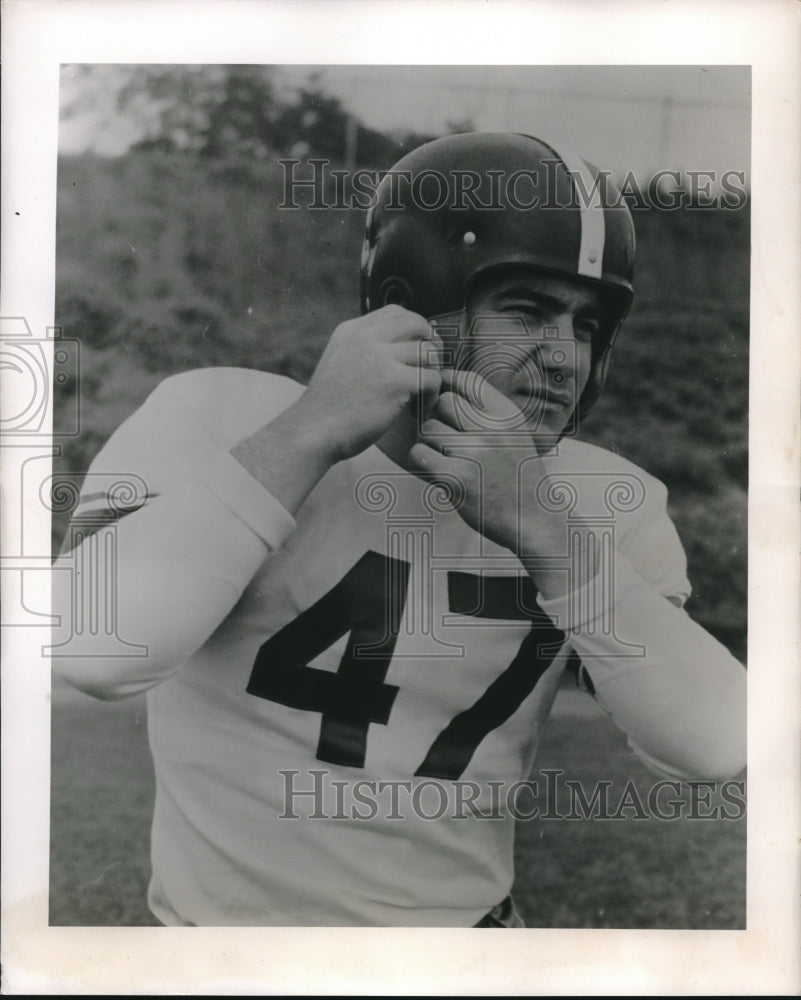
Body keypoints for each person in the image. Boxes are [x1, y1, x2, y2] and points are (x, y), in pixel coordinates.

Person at [52, 132, 746, 927]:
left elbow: (714, 743)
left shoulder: (601, 498)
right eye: (526, 310)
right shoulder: (226, 416)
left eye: (587, 326)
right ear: (409, 304)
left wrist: (545, 531)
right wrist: (312, 428)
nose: (563, 358)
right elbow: (94, 650)